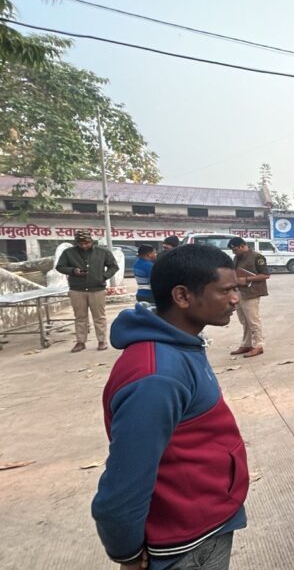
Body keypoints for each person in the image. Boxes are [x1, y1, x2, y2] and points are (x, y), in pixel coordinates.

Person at [92, 244, 248, 570]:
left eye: (236, 288)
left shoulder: (181, 346)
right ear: (182, 296)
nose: (236, 299)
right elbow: (125, 482)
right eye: (226, 290)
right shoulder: (157, 376)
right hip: (185, 544)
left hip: (205, 520)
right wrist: (126, 553)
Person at [55, 230, 119, 352]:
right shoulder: (68, 253)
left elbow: (114, 266)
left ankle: (102, 340)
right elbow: (60, 267)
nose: (84, 246)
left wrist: (103, 276)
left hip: (97, 289)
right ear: (76, 243)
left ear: (91, 241)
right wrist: (73, 271)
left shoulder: (103, 252)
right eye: (81, 244)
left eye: (86, 243)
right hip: (77, 289)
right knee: (80, 317)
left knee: (99, 317)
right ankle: (80, 342)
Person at [227, 237, 270, 358]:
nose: (234, 252)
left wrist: (247, 279)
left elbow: (266, 275)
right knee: (244, 321)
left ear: (242, 246)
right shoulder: (237, 258)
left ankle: (258, 345)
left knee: (253, 321)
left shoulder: (257, 257)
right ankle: (246, 344)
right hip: (239, 292)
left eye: (235, 249)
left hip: (251, 293)